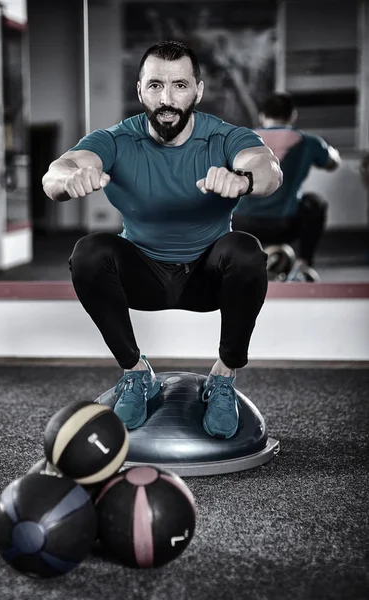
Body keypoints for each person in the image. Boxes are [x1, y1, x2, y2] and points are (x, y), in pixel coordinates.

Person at [42, 41, 282, 440]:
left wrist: (243, 179)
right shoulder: (117, 140)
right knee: (89, 252)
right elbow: (56, 173)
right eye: (155, 86)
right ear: (139, 90)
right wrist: (67, 179)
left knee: (245, 251)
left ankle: (224, 375)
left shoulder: (222, 137)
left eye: (179, 86)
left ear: (198, 91)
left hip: (209, 280)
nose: (166, 99)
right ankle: (136, 373)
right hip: (144, 277)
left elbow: (268, 167)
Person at [232, 91, 341, 280]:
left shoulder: (239, 139)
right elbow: (332, 163)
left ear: (262, 116)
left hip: (241, 223)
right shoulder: (309, 142)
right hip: (283, 224)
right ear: (293, 115)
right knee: (314, 203)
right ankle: (303, 265)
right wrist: (330, 152)